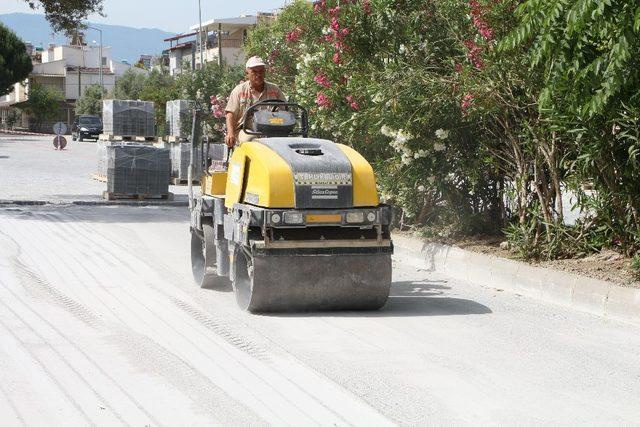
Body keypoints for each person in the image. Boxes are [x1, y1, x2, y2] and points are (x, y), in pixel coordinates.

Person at [224, 56, 286, 147]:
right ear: (247, 73)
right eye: (254, 72)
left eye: (261, 71)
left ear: (265, 72)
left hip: (271, 130)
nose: (258, 75)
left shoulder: (275, 90)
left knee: (285, 143)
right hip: (246, 129)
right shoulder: (239, 90)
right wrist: (230, 133)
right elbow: (230, 114)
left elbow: (285, 111)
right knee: (251, 140)